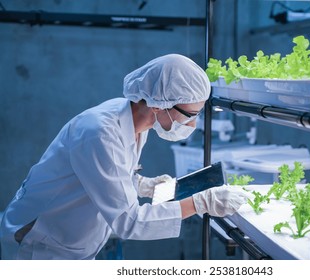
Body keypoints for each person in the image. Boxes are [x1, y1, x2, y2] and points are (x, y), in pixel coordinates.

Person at [0, 54, 252, 260]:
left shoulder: (135, 121)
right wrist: (199, 203)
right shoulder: (99, 132)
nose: (193, 124)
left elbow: (104, 174)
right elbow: (129, 222)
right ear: (159, 104)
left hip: (67, 241)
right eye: (189, 114)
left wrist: (140, 184)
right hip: (39, 247)